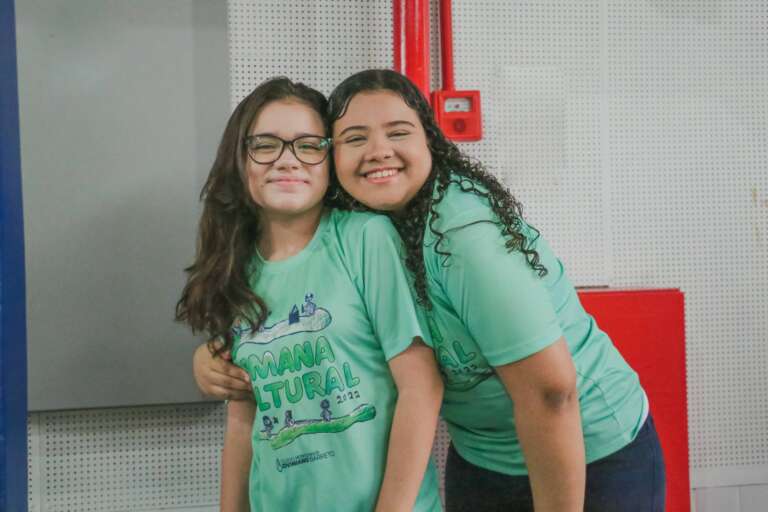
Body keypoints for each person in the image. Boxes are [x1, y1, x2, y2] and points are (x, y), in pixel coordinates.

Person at [193, 69, 665, 512]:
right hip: (484, 455)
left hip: (590, 450)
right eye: (355, 138)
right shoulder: (366, 228)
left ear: (431, 143)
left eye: (398, 132)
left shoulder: (461, 233)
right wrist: (214, 359)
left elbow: (551, 394)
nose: (378, 151)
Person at [176, 77, 443, 512]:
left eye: (308, 145)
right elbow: (243, 423)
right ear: (238, 160)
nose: (287, 161)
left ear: (330, 159)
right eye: (265, 145)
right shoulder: (234, 269)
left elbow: (421, 388)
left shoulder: (365, 239)